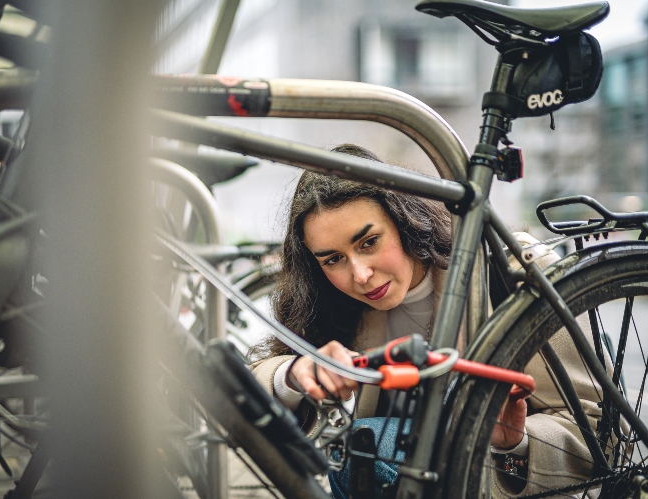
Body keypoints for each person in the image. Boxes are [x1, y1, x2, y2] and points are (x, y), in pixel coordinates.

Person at [250, 144, 609, 498]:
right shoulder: (334, 302)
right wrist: (295, 375)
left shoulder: (512, 273)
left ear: (405, 219)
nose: (359, 274)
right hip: (411, 473)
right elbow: (250, 392)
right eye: (332, 260)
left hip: (509, 481)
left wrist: (514, 444)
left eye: (369, 242)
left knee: (360, 449)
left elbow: (601, 433)